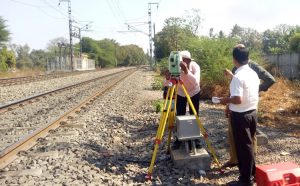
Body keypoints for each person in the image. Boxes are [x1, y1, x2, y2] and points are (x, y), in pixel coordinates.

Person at [222, 44, 276, 168]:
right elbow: (236, 87)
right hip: (239, 106)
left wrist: (256, 89)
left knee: (248, 139)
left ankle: (249, 163)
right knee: (235, 135)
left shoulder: (252, 67)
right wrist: (228, 105)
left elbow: (270, 79)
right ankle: (237, 160)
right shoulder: (238, 69)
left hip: (246, 108)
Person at [220, 45, 260, 186]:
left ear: (234, 59)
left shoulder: (238, 76)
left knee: (244, 148)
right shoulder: (253, 73)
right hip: (252, 113)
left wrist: (225, 100)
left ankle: (245, 180)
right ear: (248, 58)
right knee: (248, 146)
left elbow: (238, 99)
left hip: (241, 116)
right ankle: (253, 173)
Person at [176, 50, 201, 116]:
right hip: (181, 91)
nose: (181, 62)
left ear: (189, 60)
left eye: (183, 60)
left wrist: (186, 71)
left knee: (194, 113)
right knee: (180, 112)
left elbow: (196, 82)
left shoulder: (195, 66)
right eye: (180, 60)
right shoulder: (176, 67)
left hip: (194, 91)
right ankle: (181, 125)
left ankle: (194, 125)